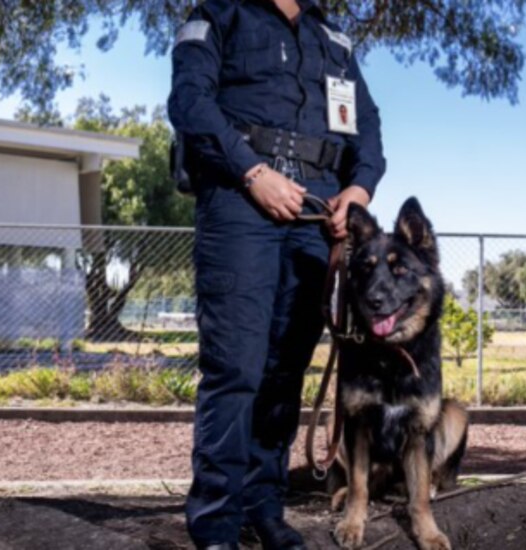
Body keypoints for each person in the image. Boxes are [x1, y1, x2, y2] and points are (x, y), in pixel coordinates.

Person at [167, 1, 385, 548]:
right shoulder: (219, 14)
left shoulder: (333, 38)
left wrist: (357, 190)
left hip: (314, 215)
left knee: (285, 371)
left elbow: (369, 127)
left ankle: (264, 506)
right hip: (241, 203)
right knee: (236, 368)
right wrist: (251, 173)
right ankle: (216, 520)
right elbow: (189, 102)